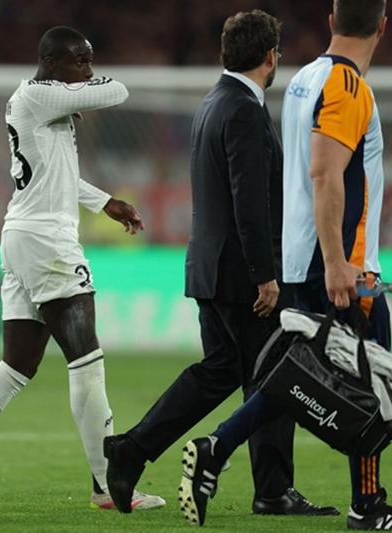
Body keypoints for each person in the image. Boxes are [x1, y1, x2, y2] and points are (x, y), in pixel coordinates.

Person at [178, 1, 392, 530]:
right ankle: (367, 507)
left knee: (299, 377)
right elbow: (325, 174)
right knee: (375, 384)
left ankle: (216, 447)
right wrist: (340, 263)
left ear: (331, 22)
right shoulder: (347, 86)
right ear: (383, 26)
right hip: (342, 267)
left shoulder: (304, 78)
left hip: (302, 261)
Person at [0, 25, 164, 512]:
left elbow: (56, 175)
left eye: (90, 61)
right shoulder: (38, 93)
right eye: (79, 62)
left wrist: (104, 201)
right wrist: (84, 90)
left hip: (26, 235)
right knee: (87, 362)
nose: (87, 71)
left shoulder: (43, 101)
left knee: (16, 367)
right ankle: (107, 485)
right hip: (47, 243)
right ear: (50, 63)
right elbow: (119, 90)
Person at [103, 10, 338, 519]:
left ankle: (132, 449)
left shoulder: (213, 102)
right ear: (270, 57)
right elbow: (248, 200)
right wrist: (264, 274)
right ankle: (273, 490)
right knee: (276, 373)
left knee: (220, 371)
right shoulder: (245, 110)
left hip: (209, 268)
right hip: (241, 275)